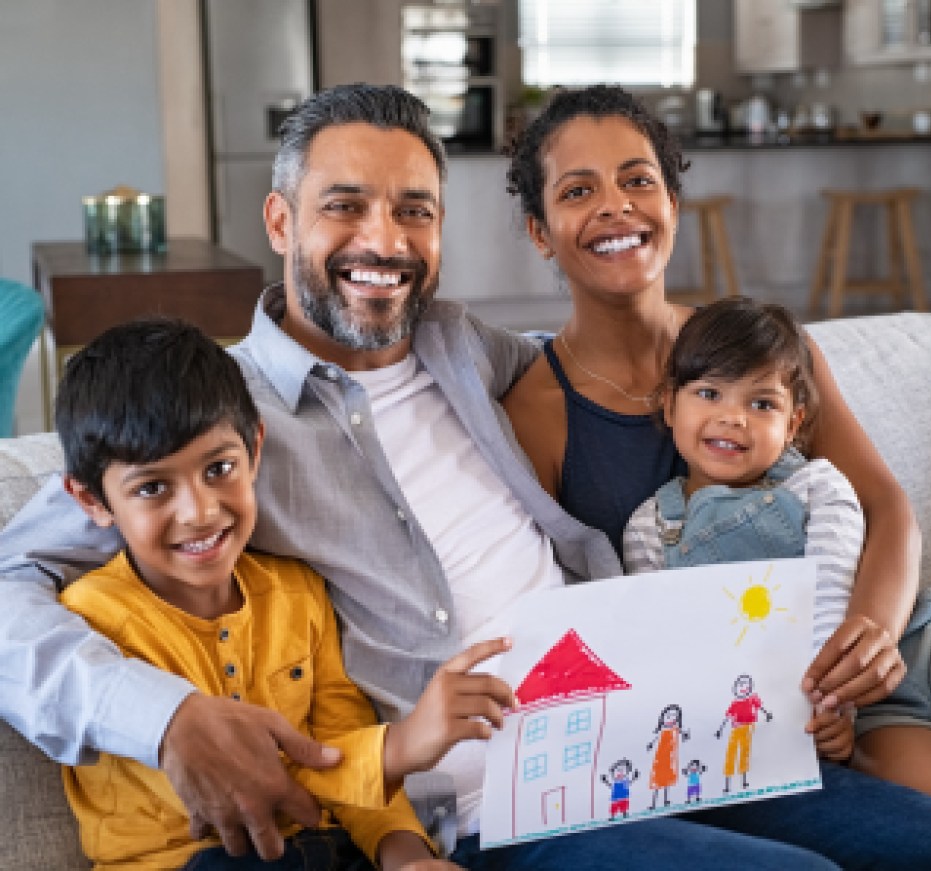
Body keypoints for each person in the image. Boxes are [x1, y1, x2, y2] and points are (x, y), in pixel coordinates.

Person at [0, 83, 860, 871]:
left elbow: (627, 381)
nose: (385, 241)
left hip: (639, 732)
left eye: (415, 210)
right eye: (345, 207)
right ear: (279, 222)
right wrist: (166, 719)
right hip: (483, 809)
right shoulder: (209, 426)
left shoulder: (470, 349)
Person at [501, 84, 931, 865]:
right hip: (791, 711)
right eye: (579, 191)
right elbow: (581, 623)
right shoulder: (537, 409)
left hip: (895, 641)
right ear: (541, 232)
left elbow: (886, 506)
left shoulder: (766, 347)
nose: (616, 205)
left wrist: (873, 639)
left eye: (639, 179)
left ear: (674, 202)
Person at [54, 318, 513, 870]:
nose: (199, 512)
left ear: (255, 448)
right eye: (153, 488)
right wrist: (400, 748)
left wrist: (405, 855)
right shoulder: (92, 623)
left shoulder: (296, 591)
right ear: (91, 500)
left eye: (219, 469)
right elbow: (237, 791)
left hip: (322, 851)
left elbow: (343, 739)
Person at [623, 297, 861, 770]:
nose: (734, 418)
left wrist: (832, 706)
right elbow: (664, 644)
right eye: (710, 394)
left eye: (761, 403)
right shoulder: (650, 527)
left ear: (793, 424)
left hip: (880, 658)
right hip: (753, 711)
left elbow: (831, 606)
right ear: (669, 405)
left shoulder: (819, 487)